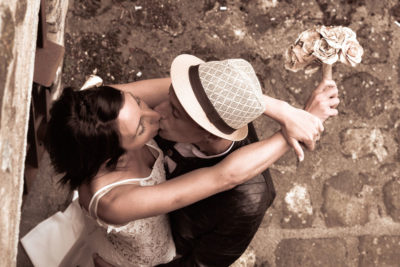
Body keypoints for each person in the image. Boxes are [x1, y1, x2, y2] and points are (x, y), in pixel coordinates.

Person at [91, 55, 339, 266]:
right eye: (169, 98)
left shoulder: (246, 203)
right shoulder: (206, 105)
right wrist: (285, 111)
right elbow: (99, 102)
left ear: (209, 133)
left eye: (174, 112)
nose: (157, 111)